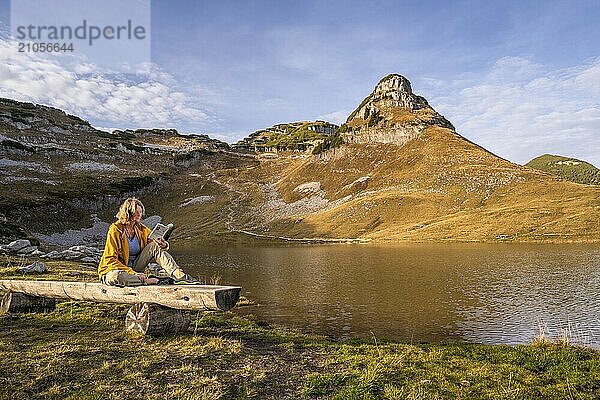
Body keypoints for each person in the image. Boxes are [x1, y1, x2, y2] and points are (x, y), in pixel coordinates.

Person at [98, 197, 196, 286]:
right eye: (137, 212)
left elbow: (155, 246)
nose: (140, 215)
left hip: (136, 269)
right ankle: (151, 280)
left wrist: (163, 244)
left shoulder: (141, 228)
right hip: (115, 270)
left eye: (141, 212)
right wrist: (132, 272)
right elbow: (110, 260)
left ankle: (180, 276)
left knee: (154, 245)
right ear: (128, 212)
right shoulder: (115, 229)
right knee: (116, 276)